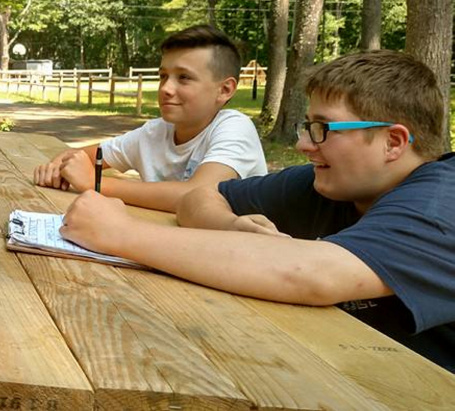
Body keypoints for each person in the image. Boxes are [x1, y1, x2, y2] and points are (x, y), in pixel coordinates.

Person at [61, 50, 454, 372]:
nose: (303, 144)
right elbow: (199, 198)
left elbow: (314, 274)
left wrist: (121, 234)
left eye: (323, 129)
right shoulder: (329, 184)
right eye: (307, 126)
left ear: (393, 142)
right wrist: (233, 227)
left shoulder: (441, 203)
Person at [33, 25, 266, 212]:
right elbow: (82, 157)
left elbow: (199, 195)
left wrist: (95, 184)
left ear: (225, 90)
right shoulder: (155, 131)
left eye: (184, 78)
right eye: (163, 76)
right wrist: (57, 169)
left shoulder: (234, 127)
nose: (166, 88)